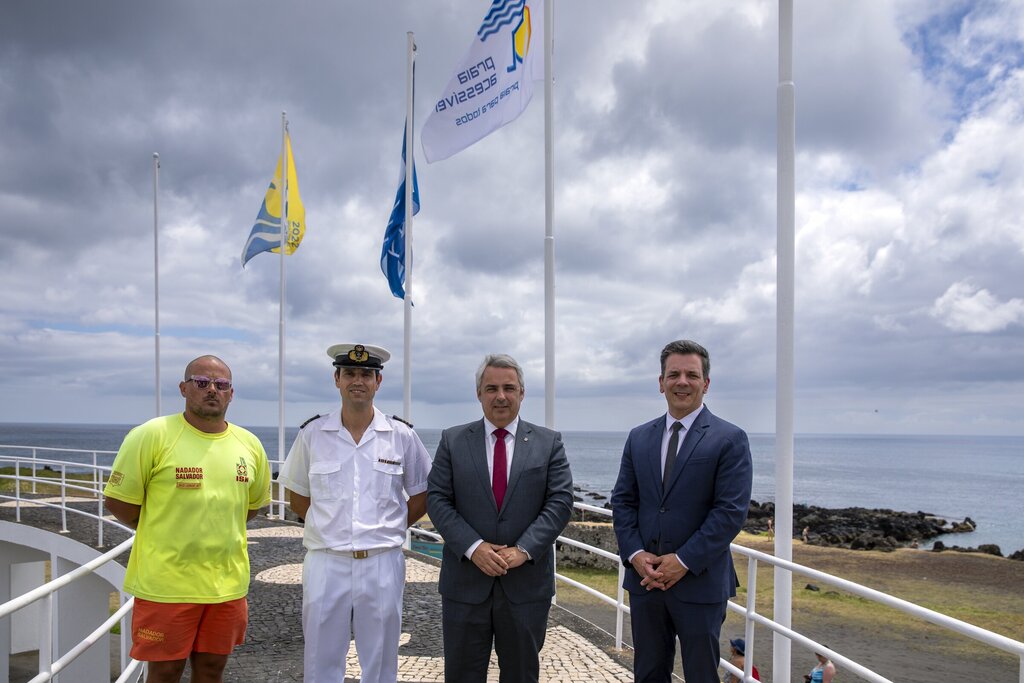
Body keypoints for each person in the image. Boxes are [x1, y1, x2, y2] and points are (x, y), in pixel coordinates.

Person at [103, 355, 271, 683]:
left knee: (211, 671)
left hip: (226, 586)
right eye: (202, 382)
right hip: (166, 585)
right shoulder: (152, 435)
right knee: (164, 673)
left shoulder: (249, 444)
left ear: (231, 393)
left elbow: (249, 507)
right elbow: (119, 502)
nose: (212, 390)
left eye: (221, 384)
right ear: (183, 388)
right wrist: (163, 528)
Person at [277, 343, 431, 683]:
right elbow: (298, 497)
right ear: (337, 379)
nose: (357, 381)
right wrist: (331, 528)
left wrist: (388, 528)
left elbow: (422, 495)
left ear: (378, 381)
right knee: (320, 658)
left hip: (381, 561)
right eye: (349, 373)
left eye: (366, 374)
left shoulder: (401, 436)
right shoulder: (313, 434)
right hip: (326, 560)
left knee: (381, 660)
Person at [610, 339, 753, 683]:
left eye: (692, 375)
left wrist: (683, 561)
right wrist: (635, 555)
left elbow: (729, 512)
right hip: (645, 581)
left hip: (700, 583)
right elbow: (623, 501)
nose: (682, 382)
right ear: (661, 382)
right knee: (648, 674)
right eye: (673, 374)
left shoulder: (729, 438)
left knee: (701, 675)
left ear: (706, 383)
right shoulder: (638, 437)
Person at [427, 353, 574, 683]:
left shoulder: (549, 443)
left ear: (522, 392)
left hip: (526, 586)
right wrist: (474, 547)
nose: (501, 396)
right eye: (491, 388)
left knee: (521, 675)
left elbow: (561, 501)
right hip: (465, 584)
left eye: (509, 388)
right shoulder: (452, 440)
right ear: (479, 393)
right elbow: (437, 499)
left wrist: (522, 550)